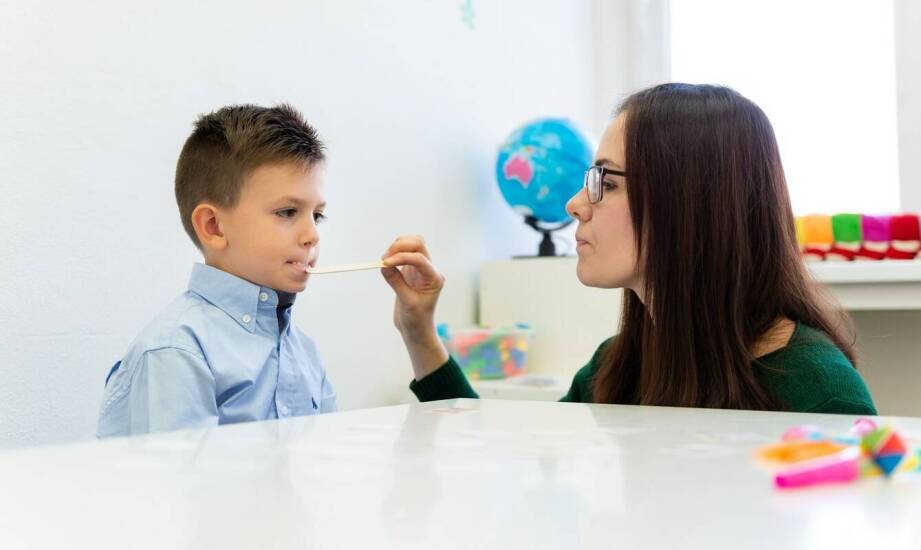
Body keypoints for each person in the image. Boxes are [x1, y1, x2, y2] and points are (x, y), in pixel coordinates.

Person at [382, 83, 877, 415]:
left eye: (607, 182)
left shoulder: (818, 390)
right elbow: (505, 467)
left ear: (690, 204)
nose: (576, 204)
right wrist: (419, 332)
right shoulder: (615, 368)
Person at [98, 104, 337, 437]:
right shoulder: (177, 352)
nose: (312, 235)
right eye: (287, 212)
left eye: (318, 216)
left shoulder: (305, 352)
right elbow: (178, 487)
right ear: (213, 226)